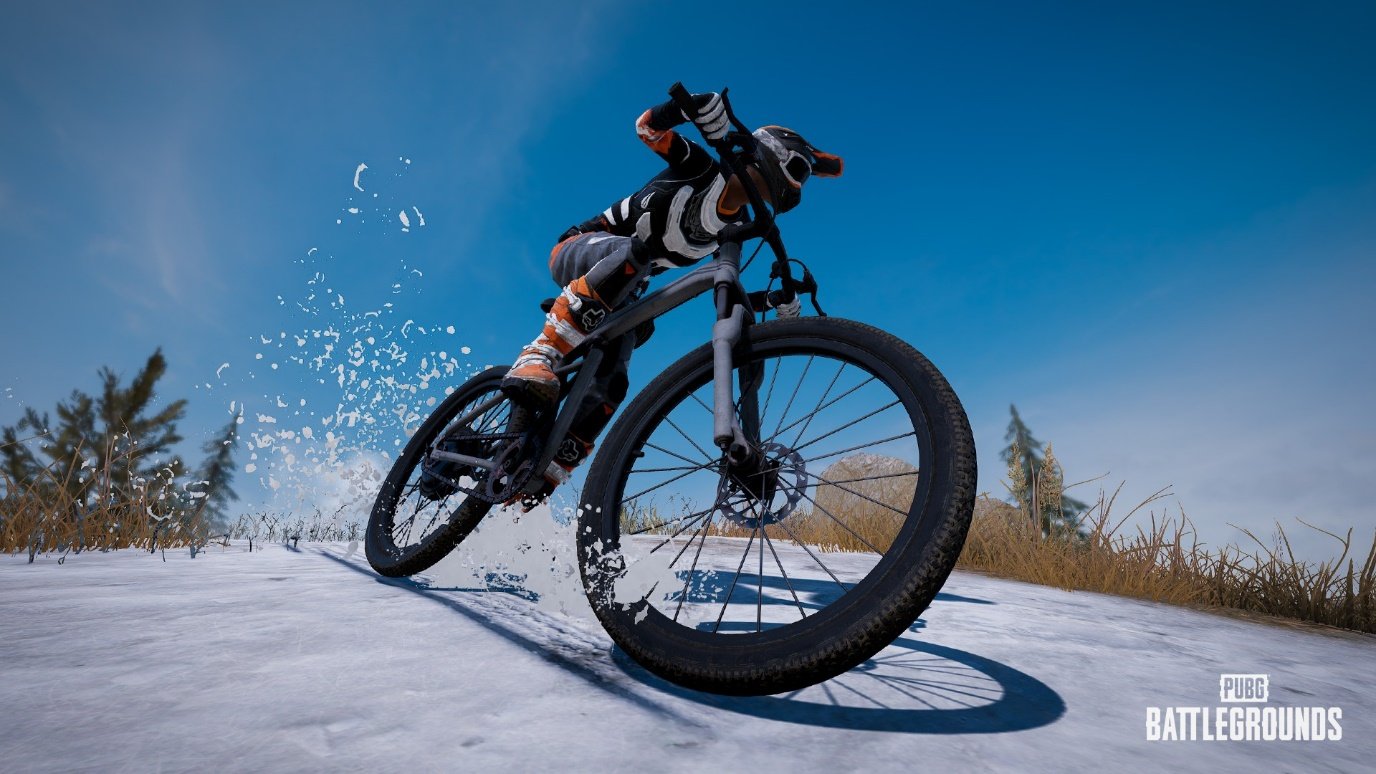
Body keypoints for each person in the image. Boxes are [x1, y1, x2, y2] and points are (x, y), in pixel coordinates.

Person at [502, 90, 843, 488]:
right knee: (634, 254)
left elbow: (725, 290)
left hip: (624, 288)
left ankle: (543, 475)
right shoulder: (699, 168)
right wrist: (688, 108)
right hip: (581, 248)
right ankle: (538, 353)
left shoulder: (729, 233)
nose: (795, 186)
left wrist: (774, 301)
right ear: (769, 153)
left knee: (614, 382)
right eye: (798, 171)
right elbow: (647, 128)